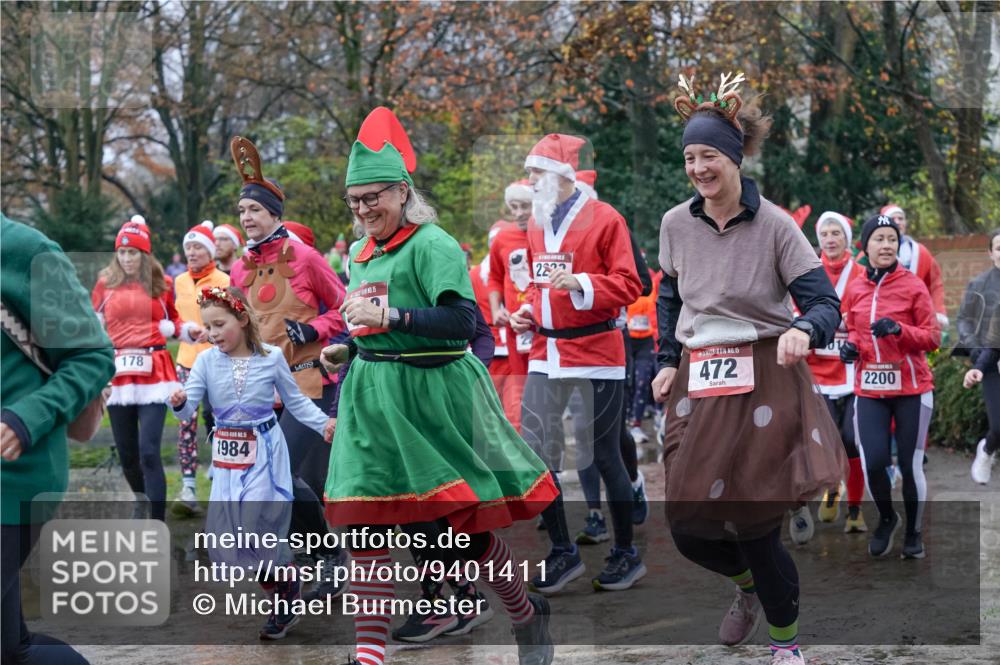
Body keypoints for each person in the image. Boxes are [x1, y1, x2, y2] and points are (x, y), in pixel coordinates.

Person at [321, 107, 558, 665]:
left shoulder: (434, 245)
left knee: (459, 530)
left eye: (372, 198)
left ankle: (526, 613)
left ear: (402, 192)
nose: (363, 210)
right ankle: (369, 654)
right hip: (371, 399)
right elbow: (373, 324)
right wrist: (350, 347)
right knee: (363, 522)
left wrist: (391, 319)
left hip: (433, 399)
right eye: (354, 202)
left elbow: (461, 324)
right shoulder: (360, 254)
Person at [652, 72, 845, 665]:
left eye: (708, 155)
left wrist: (803, 330)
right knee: (687, 524)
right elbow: (669, 294)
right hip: (699, 377)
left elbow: (824, 302)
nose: (698, 167)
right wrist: (667, 359)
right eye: (690, 157)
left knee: (756, 524)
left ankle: (786, 647)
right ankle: (747, 588)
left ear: (734, 157)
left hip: (764, 375)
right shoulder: (675, 223)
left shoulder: (777, 226)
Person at [509, 134, 646, 594]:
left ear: (561, 175)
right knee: (536, 451)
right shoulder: (535, 222)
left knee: (602, 455)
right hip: (546, 351)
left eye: (536, 172)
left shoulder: (606, 218)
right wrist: (527, 310)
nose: (530, 181)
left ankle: (626, 552)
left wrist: (582, 282)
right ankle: (563, 551)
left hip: (597, 352)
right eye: (529, 173)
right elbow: (536, 284)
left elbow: (630, 284)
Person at [169, 286, 334, 639]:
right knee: (235, 538)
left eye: (219, 325)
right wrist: (179, 401)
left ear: (242, 319)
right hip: (228, 460)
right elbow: (187, 409)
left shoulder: (271, 357)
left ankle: (286, 591)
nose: (213, 334)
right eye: (208, 327)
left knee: (255, 524)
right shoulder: (206, 362)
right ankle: (284, 590)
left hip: (265, 453)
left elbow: (296, 401)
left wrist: (324, 425)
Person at [228, 135, 349, 602]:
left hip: (308, 382)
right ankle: (320, 554)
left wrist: (315, 328)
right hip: (261, 388)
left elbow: (346, 310)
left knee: (283, 473)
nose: (247, 218)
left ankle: (329, 556)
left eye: (255, 210)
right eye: (242, 211)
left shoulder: (307, 258)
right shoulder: (240, 269)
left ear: (275, 214)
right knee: (273, 479)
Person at [2, 213, 116, 665]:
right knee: (12, 650)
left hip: (14, 479)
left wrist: (26, 418)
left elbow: (92, 357)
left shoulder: (27, 251)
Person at [840, 214, 939, 559]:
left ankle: (913, 531)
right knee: (874, 461)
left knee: (910, 466)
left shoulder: (913, 286)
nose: (886, 245)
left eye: (892, 239)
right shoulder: (856, 288)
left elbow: (932, 337)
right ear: (865, 246)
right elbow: (854, 331)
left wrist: (899, 330)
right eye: (879, 239)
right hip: (870, 389)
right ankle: (887, 518)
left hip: (912, 390)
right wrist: (850, 348)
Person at [91, 217, 198, 521]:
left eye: (133, 252)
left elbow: (174, 321)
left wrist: (189, 331)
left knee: (149, 451)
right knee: (127, 454)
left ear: (144, 254)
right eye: (122, 252)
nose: (126, 258)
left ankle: (157, 523)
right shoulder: (104, 284)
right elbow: (92, 326)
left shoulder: (161, 284)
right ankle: (140, 500)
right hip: (119, 375)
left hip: (155, 374)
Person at [805, 212, 868, 535]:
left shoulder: (861, 274)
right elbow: (797, 311)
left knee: (851, 440)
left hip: (854, 370)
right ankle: (832, 488)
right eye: (825, 234)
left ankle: (855, 508)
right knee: (827, 439)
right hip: (818, 371)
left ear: (847, 239)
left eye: (836, 233)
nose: (830, 239)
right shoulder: (808, 272)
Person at [172, 221, 230, 513]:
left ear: (209, 251)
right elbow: (176, 317)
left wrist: (211, 332)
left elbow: (231, 318)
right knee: (186, 423)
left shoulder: (224, 280)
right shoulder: (179, 281)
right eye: (188, 247)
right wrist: (182, 329)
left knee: (220, 418)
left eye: (198, 247)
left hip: (217, 359)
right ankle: (188, 488)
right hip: (186, 360)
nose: (192, 252)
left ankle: (223, 474)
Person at [489, 181, 535, 431]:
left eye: (525, 206)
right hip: (515, 329)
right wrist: (497, 309)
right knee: (522, 390)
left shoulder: (549, 235)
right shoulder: (503, 238)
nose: (519, 213)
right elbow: (495, 277)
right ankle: (527, 443)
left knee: (546, 390)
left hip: (543, 327)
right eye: (514, 207)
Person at [959, 229, 1000, 483]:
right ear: (990, 253)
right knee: (999, 426)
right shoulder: (979, 284)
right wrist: (975, 349)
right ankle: (987, 450)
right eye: (999, 248)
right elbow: (964, 319)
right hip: (990, 360)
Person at [880, 204, 948, 329]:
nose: (898, 222)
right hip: (883, 317)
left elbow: (935, 284)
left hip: (917, 319)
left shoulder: (920, 252)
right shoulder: (872, 252)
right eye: (893, 219)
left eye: (901, 218)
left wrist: (938, 311)